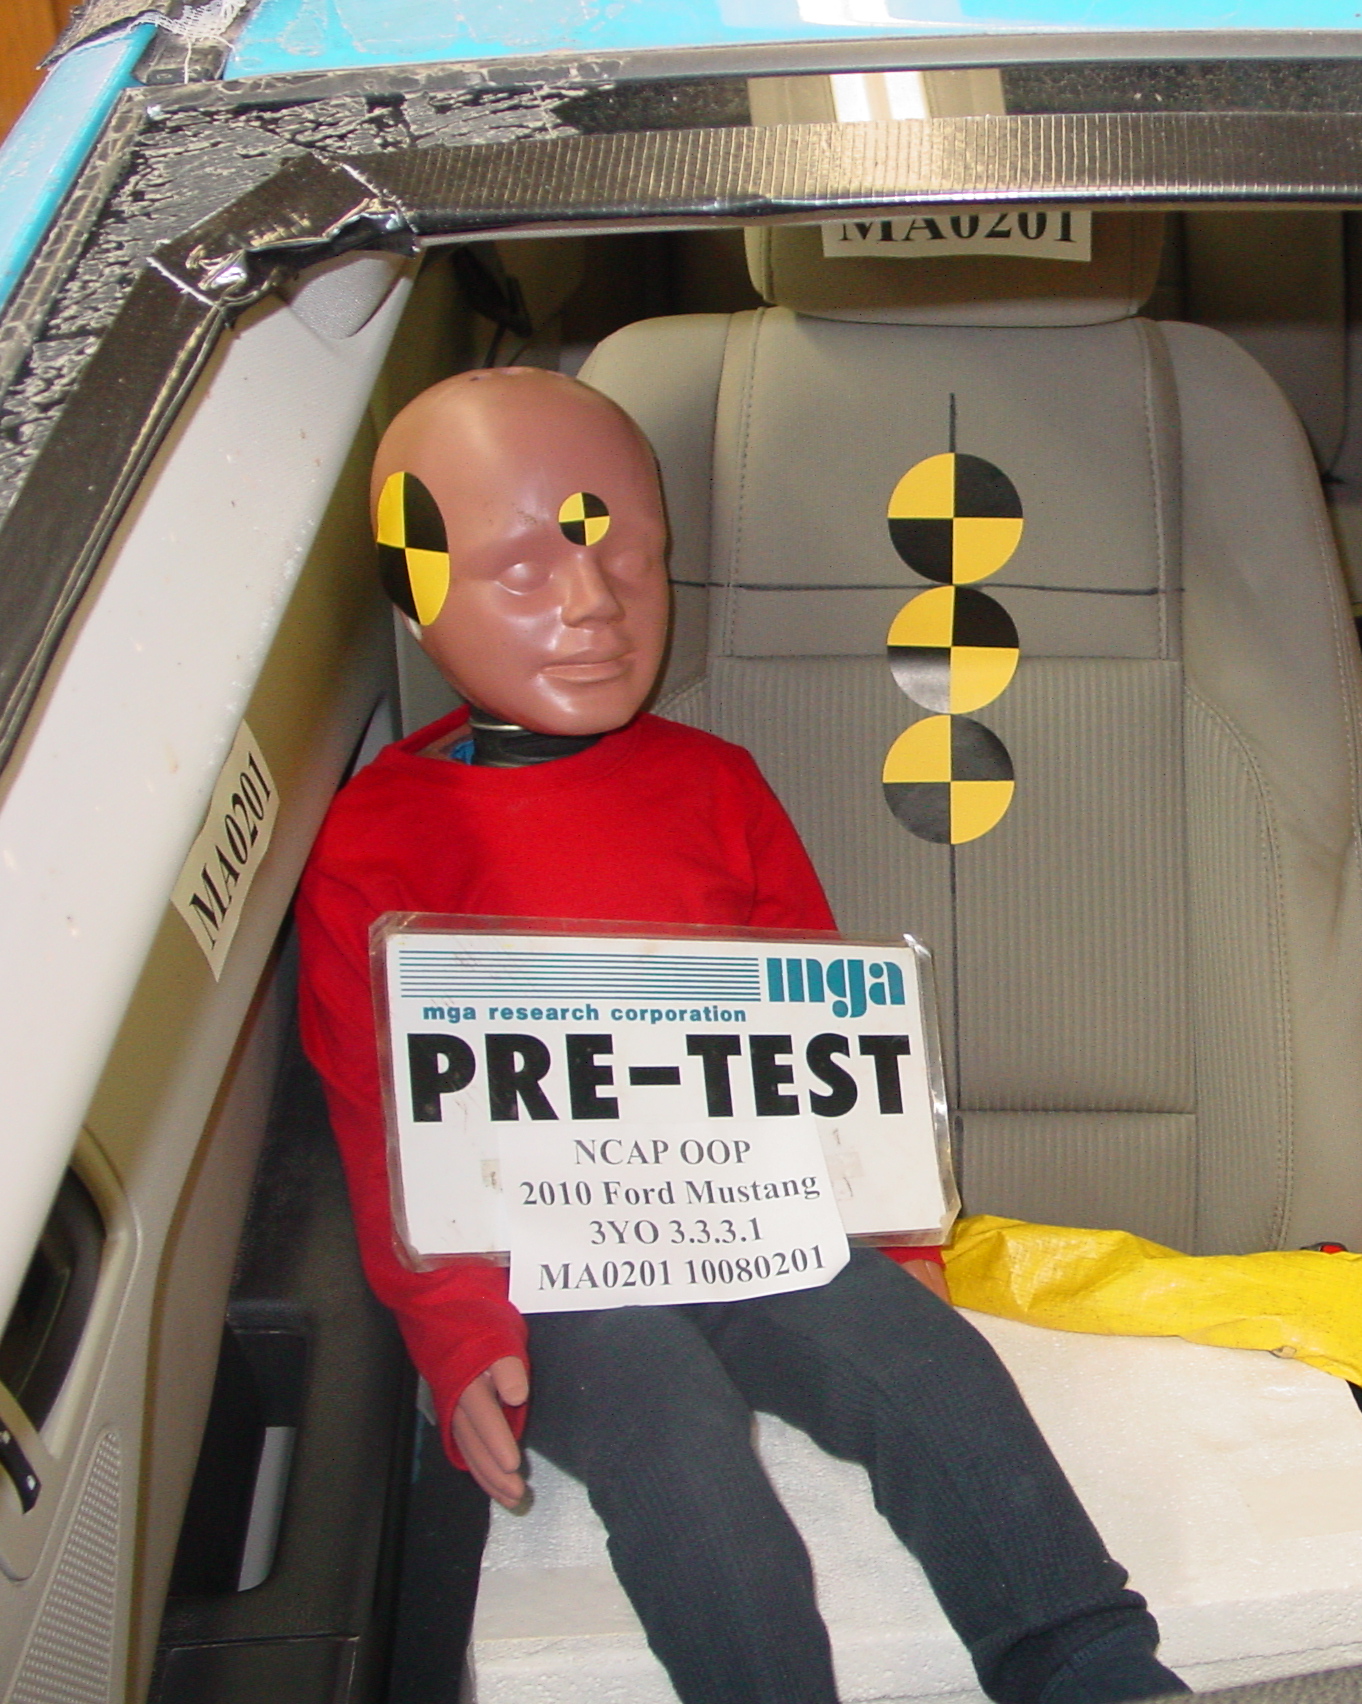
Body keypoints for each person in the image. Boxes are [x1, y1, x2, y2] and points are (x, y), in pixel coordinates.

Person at [295, 366, 1184, 1704]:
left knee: (935, 1377)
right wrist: (457, 1323)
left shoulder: (715, 786)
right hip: (557, 1265)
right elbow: (383, 1114)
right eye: (523, 571)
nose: (595, 604)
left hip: (755, 1213)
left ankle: (1089, 1665)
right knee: (676, 1442)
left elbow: (824, 1030)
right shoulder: (378, 841)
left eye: (631, 560)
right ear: (415, 585)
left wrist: (893, 1241)